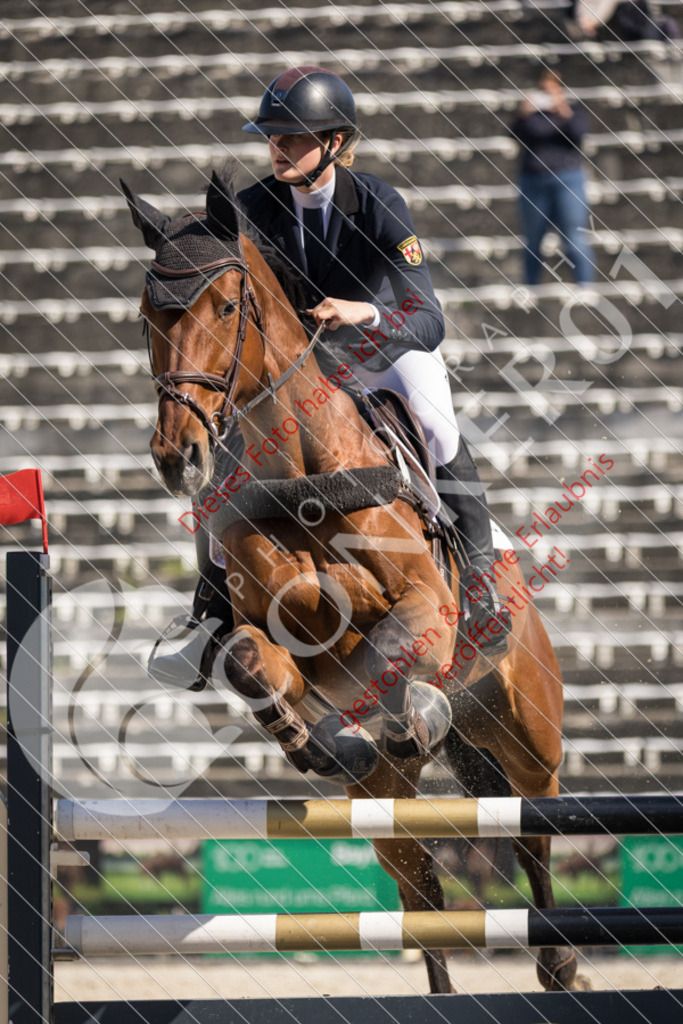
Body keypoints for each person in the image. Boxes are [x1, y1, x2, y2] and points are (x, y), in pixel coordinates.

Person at [150, 66, 510, 690]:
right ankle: (208, 615)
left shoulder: (377, 203)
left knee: (436, 424)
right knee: (221, 454)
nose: (279, 148)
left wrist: (361, 311)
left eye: (294, 137)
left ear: (336, 143)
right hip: (297, 370)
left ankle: (480, 589)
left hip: (381, 352)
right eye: (272, 137)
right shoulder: (253, 208)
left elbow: (428, 320)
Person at [510, 67, 596, 290]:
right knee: (533, 238)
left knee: (574, 236)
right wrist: (523, 113)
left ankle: (585, 286)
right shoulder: (531, 114)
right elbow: (514, 135)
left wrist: (563, 109)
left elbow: (579, 135)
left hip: (567, 179)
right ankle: (531, 287)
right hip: (533, 180)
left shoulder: (572, 110)